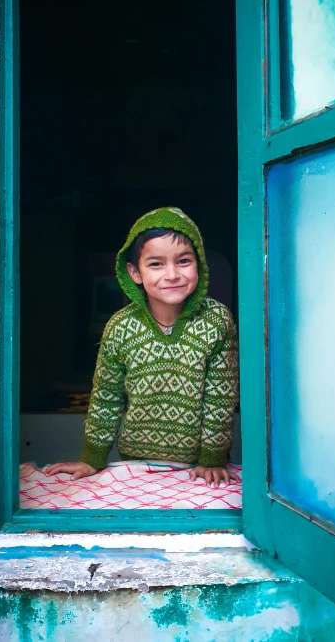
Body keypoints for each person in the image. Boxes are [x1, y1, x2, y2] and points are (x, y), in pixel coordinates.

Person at [46, 207, 240, 487]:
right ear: (134, 272)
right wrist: (92, 458)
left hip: (202, 466)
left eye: (184, 261)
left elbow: (220, 398)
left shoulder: (217, 321)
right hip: (136, 465)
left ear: (200, 264)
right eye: (156, 264)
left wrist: (212, 459)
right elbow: (106, 398)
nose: (172, 274)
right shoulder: (121, 327)